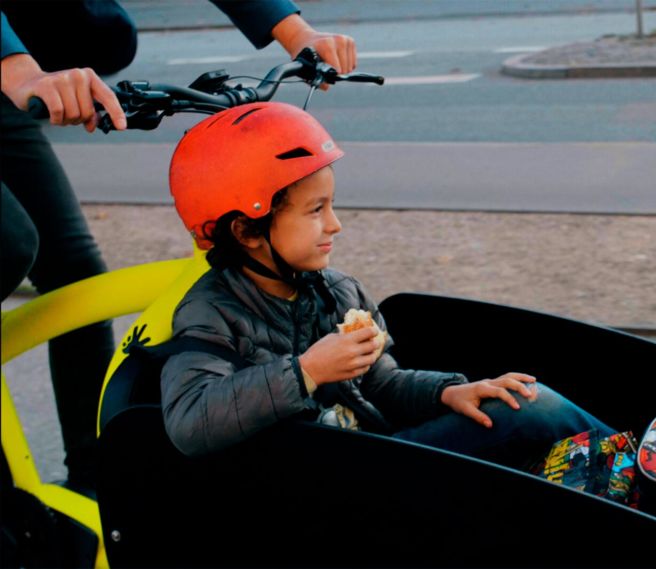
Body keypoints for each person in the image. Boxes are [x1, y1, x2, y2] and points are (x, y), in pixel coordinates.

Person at [0, 0, 357, 493]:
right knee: (10, 245)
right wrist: (15, 67)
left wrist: (296, 32)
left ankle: (93, 486)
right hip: (10, 73)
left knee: (75, 275)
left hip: (6, 96)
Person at [160, 102, 613, 467]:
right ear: (247, 231)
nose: (335, 225)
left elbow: (382, 385)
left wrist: (447, 392)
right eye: (315, 210)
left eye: (331, 205)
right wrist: (307, 371)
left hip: (381, 451)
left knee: (520, 403)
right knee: (537, 412)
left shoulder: (337, 291)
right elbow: (190, 423)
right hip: (328, 487)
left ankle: (641, 478)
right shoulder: (211, 312)